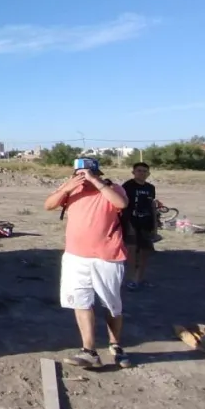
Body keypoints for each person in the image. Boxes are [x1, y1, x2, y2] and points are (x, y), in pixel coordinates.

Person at [44, 157, 131, 369]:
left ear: (97, 173)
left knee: (112, 306)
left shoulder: (113, 188)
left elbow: (122, 204)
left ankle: (116, 345)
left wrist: (97, 182)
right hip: (75, 256)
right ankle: (89, 350)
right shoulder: (72, 189)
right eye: (79, 174)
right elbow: (48, 205)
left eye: (87, 174)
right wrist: (66, 188)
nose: (83, 178)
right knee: (81, 302)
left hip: (107, 257)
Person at [121, 162, 158, 290]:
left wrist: (155, 226)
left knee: (144, 252)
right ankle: (130, 279)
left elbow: (152, 206)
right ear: (133, 172)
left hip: (146, 224)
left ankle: (140, 279)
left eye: (144, 171)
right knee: (131, 251)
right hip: (130, 223)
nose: (141, 173)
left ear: (148, 173)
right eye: (139, 171)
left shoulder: (150, 188)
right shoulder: (127, 186)